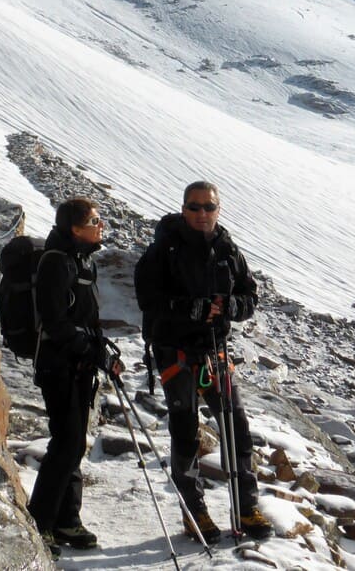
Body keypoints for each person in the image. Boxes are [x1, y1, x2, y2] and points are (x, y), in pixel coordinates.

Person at [134, 181, 273, 543]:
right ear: (183, 209)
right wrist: (188, 308)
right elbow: (148, 297)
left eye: (208, 207)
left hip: (215, 352)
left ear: (218, 209)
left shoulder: (227, 249)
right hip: (176, 353)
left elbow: (249, 294)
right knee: (185, 433)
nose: (201, 214)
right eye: (194, 207)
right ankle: (194, 512)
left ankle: (246, 506)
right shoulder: (163, 249)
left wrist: (230, 306)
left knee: (237, 429)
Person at [28, 198, 121, 555]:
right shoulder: (56, 262)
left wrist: (101, 351)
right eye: (95, 220)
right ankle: (40, 524)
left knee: (74, 443)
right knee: (65, 444)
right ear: (75, 228)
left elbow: (86, 318)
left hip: (78, 364)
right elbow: (54, 321)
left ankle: (67, 519)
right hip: (57, 364)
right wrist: (87, 346)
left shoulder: (84, 260)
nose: (101, 225)